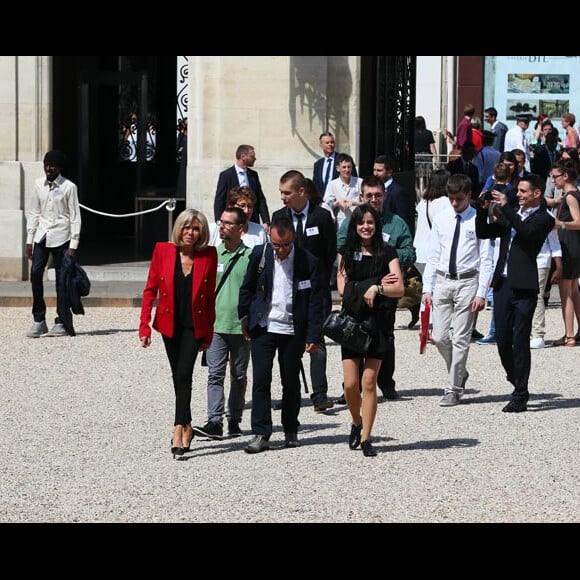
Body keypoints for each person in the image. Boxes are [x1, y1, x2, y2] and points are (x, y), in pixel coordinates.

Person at [239, 215, 323, 453]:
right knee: (261, 380)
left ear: (293, 238)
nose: (281, 250)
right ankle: (261, 432)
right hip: (264, 326)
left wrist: (314, 335)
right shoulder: (260, 255)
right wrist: (244, 316)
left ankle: (290, 428)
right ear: (270, 237)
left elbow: (317, 302)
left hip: (292, 328)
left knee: (290, 381)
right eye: (276, 244)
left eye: (286, 245)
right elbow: (247, 288)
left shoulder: (308, 261)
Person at [139, 209, 217, 458]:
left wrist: (209, 332)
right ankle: (188, 424)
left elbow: (210, 299)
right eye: (186, 227)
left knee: (184, 373)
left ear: (201, 232)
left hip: (195, 326)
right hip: (169, 324)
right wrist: (144, 326)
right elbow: (150, 290)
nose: (190, 233)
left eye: (195, 229)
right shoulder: (163, 250)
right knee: (178, 376)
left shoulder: (208, 255)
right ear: (179, 229)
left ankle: (177, 428)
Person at [475, 174, 555, 412]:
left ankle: (521, 393)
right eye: (517, 191)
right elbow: (484, 232)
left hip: (525, 287)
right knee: (502, 341)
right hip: (503, 284)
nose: (518, 194)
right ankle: (516, 378)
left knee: (520, 341)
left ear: (536, 194)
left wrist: (506, 207)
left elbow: (527, 233)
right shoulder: (513, 215)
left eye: (522, 191)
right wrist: (483, 209)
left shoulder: (544, 219)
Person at [337, 176, 415, 401]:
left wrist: (383, 258)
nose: (373, 199)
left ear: (385, 196)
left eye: (377, 195)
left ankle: (386, 383)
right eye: (368, 195)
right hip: (356, 294)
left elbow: (410, 252)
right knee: (353, 336)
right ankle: (352, 386)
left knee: (385, 338)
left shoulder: (397, 223)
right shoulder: (351, 222)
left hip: (385, 293)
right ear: (361, 197)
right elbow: (341, 251)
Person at [337, 204, 404, 457]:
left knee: (368, 381)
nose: (366, 227)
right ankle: (356, 421)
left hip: (378, 324)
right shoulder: (346, 252)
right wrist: (376, 282)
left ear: (377, 225)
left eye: (370, 222)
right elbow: (343, 289)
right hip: (352, 324)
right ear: (354, 226)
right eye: (361, 222)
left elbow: (398, 289)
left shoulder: (388, 252)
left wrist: (377, 290)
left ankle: (366, 437)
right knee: (350, 385)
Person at [422, 174, 493, 407]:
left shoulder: (477, 219)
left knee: (461, 337)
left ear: (469, 196)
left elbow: (486, 257)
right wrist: (427, 287)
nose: (455, 203)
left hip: (467, 281)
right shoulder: (442, 218)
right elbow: (433, 254)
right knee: (440, 337)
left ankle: (453, 388)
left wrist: (482, 292)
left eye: (459, 199)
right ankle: (459, 371)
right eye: (451, 198)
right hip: (443, 280)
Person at [271, 170, 337, 412]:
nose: (283, 197)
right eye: (281, 192)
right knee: (288, 343)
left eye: (286, 192)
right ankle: (291, 393)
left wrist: (320, 277)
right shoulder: (279, 216)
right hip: (288, 289)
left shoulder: (321, 217)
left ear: (301, 192)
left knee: (316, 340)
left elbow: (330, 251)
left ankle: (320, 394)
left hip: (316, 290)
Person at [193, 207, 252, 440]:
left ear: (241, 229)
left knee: (238, 375)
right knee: (214, 375)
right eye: (221, 221)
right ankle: (214, 422)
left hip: (241, 327)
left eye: (228, 223)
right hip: (216, 326)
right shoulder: (212, 255)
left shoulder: (251, 257)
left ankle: (234, 419)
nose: (222, 225)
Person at [26, 150, 82, 338]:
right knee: (35, 273)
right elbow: (34, 211)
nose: (48, 168)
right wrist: (29, 239)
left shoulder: (69, 187)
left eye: (52, 165)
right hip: (42, 235)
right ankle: (39, 319)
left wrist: (73, 244)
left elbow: (75, 216)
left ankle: (62, 321)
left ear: (59, 167)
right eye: (46, 164)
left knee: (61, 281)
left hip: (62, 236)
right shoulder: (37, 185)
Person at [551, 160, 580, 346]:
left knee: (566, 292)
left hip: (569, 245)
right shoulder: (570, 194)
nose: (553, 180)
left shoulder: (570, 196)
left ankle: (569, 334)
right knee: (575, 291)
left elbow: (578, 222)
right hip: (572, 244)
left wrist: (559, 224)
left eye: (555, 177)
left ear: (565, 176)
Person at [214, 144, 270, 229]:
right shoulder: (226, 175)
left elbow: (260, 198)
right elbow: (219, 200)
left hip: (252, 220)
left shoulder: (253, 175)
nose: (255, 158)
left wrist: (266, 221)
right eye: (252, 156)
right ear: (243, 157)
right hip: (233, 221)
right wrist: (219, 221)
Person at [414, 169, 452, 276]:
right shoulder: (445, 202)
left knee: (427, 286)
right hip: (433, 253)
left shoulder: (424, 201)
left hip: (419, 251)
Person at [530, 226, 562, 349]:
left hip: (541, 261)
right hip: (522, 261)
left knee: (537, 296)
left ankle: (538, 334)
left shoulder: (548, 218)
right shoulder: (518, 213)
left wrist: (559, 267)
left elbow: (555, 244)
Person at [373, 154, 415, 235]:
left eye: (379, 170)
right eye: (374, 170)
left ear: (389, 172)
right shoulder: (374, 189)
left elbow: (402, 220)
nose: (375, 173)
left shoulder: (398, 192)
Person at [322, 153, 362, 229]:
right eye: (344, 167)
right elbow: (326, 205)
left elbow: (366, 203)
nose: (347, 170)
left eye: (349, 167)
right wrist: (337, 203)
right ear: (338, 168)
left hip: (358, 221)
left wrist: (353, 203)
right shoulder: (332, 184)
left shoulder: (360, 182)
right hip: (340, 224)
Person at [312, 131, 357, 196]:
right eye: (327, 143)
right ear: (321, 145)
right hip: (322, 202)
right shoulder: (318, 164)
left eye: (332, 142)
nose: (330, 144)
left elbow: (353, 179)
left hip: (340, 199)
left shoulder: (343, 159)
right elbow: (315, 185)